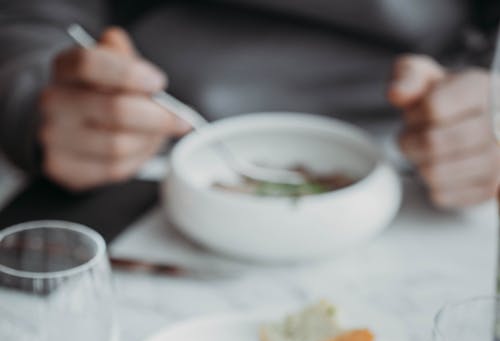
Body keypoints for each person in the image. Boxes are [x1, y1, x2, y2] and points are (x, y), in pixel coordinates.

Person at [0, 1, 498, 208]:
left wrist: (486, 113)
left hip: (423, 169)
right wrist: (39, 99)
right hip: (143, 167)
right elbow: (33, 16)